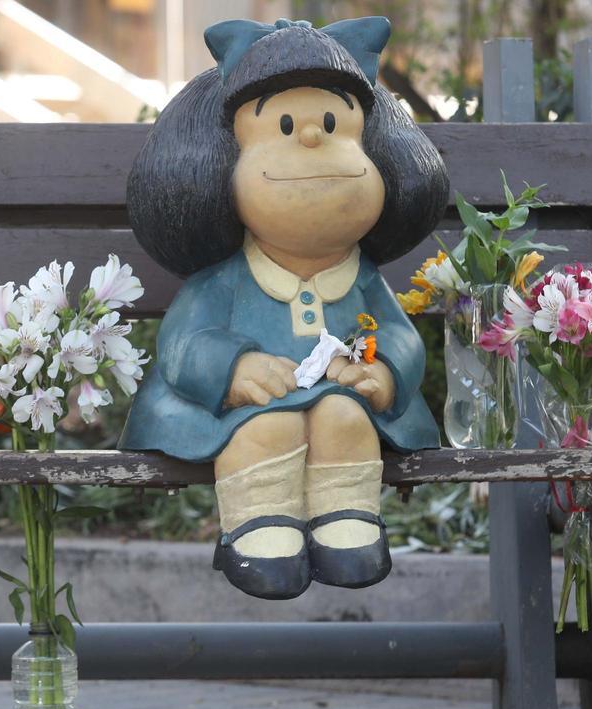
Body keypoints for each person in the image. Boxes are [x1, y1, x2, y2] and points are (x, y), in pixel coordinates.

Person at [120, 17, 448, 599]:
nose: (313, 141)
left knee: (345, 419)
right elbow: (182, 344)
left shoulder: (361, 278)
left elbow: (397, 335)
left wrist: (384, 371)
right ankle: (258, 526)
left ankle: (347, 519)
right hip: (246, 408)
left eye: (332, 123)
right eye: (286, 125)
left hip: (343, 401)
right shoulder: (226, 280)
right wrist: (233, 367)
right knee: (266, 427)